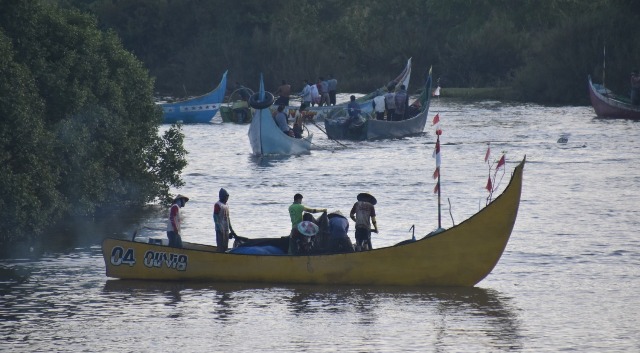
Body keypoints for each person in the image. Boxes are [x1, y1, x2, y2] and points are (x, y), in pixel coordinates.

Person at [213, 188, 235, 252]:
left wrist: (231, 230)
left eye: (227, 197)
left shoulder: (227, 205)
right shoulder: (218, 204)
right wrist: (219, 227)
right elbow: (215, 216)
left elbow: (228, 218)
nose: (227, 199)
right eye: (226, 197)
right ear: (222, 197)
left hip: (226, 228)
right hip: (220, 229)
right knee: (220, 245)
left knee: (225, 245)